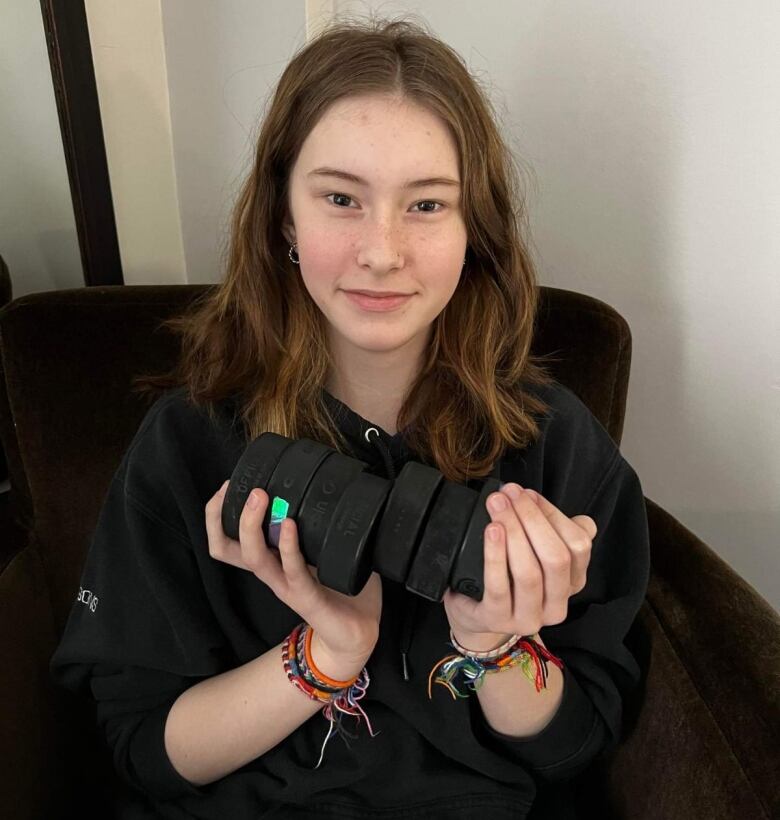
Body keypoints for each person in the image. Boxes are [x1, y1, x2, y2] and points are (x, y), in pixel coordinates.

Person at [49, 14, 650, 820]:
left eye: (428, 205)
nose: (382, 250)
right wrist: (325, 657)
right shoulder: (188, 441)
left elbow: (577, 742)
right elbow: (144, 751)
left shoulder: (553, 443)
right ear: (283, 217)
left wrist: (496, 647)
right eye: (340, 197)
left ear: (476, 229)